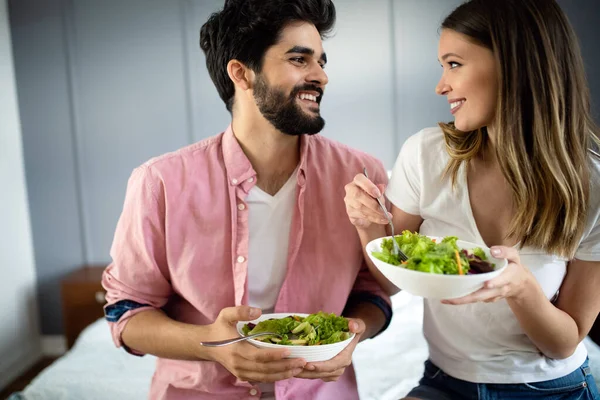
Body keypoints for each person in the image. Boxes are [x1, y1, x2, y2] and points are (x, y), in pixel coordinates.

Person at [101, 0, 392, 399]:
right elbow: (126, 312)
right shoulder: (160, 182)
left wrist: (352, 336)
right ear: (241, 73)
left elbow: (373, 292)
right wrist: (213, 345)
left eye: (322, 62)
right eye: (299, 59)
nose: (321, 76)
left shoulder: (362, 177)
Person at [344, 0, 600, 399]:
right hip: (444, 383)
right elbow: (390, 282)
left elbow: (563, 343)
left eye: (454, 64)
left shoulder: (591, 184)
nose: (440, 85)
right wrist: (368, 225)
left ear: (514, 66)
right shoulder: (425, 154)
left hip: (552, 389)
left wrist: (521, 289)